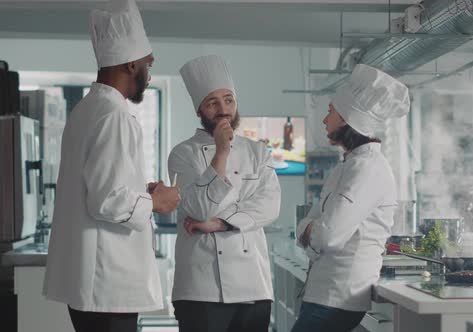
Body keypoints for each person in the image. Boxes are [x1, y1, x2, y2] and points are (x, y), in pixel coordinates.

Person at [43, 1, 180, 331]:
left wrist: (139, 193)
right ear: (132, 64)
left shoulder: (86, 110)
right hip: (107, 284)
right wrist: (157, 202)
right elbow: (106, 200)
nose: (150, 72)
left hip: (90, 284)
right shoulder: (115, 116)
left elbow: (101, 186)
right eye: (148, 64)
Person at [291, 64, 410, 332]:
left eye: (330, 111)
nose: (324, 119)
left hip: (337, 296)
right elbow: (313, 226)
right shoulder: (349, 165)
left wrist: (309, 230)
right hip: (325, 293)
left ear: (347, 119)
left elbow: (328, 237)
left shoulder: (366, 169)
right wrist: (310, 229)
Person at [168, 55, 281, 332]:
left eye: (228, 100)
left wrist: (219, 224)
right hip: (201, 288)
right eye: (212, 102)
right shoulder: (183, 153)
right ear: (199, 110)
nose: (223, 109)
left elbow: (270, 206)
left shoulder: (258, 152)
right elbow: (199, 209)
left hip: (253, 286)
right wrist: (221, 152)